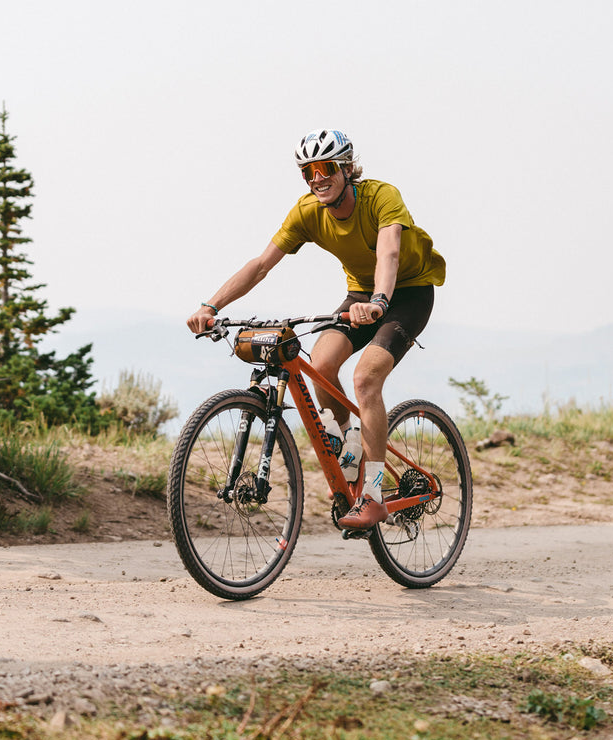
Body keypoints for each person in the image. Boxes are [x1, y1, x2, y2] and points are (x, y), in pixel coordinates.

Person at [187, 129, 445, 529]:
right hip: (360, 293)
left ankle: (374, 496)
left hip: (407, 294)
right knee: (321, 364)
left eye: (325, 168)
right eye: (308, 172)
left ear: (346, 168)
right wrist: (211, 304)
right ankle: (351, 441)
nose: (316, 179)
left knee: (365, 379)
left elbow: (390, 252)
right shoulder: (307, 211)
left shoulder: (381, 196)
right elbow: (260, 265)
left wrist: (379, 301)